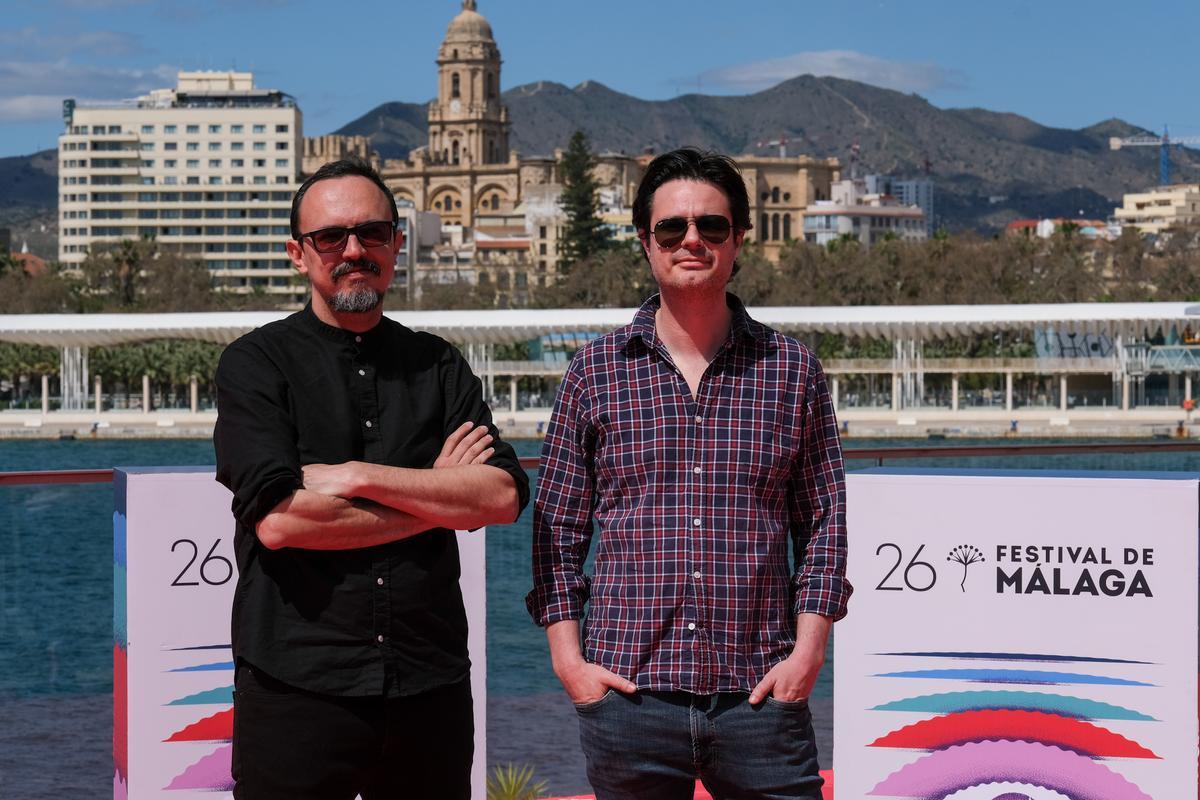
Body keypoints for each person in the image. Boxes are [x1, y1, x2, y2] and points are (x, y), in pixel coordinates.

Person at [527, 148, 850, 799]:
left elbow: (823, 525)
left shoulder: (792, 372)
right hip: (628, 700)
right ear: (646, 241)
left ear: (739, 241)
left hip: (762, 697)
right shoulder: (595, 373)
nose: (692, 240)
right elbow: (556, 532)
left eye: (712, 226)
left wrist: (809, 651)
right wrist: (570, 663)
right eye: (672, 228)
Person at [214, 157, 528, 799]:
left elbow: (500, 495)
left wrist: (358, 476)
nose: (354, 250)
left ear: (396, 245)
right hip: (296, 689)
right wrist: (438, 498)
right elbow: (280, 521)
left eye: (372, 233)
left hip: (429, 688)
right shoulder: (254, 365)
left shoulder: (439, 365)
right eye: (331, 237)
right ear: (298, 255)